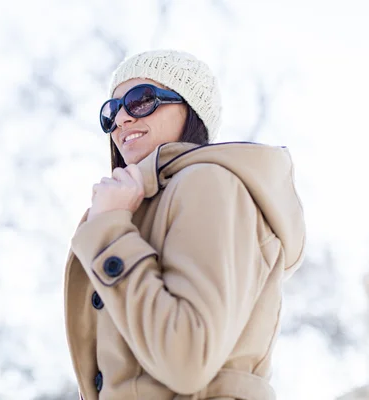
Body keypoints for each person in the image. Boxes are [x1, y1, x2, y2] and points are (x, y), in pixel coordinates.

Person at [63, 49, 306, 400]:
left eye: (141, 100)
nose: (121, 120)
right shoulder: (138, 207)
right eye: (111, 112)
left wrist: (110, 233)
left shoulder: (208, 182)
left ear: (190, 109)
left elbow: (187, 359)